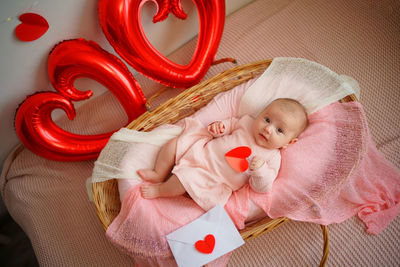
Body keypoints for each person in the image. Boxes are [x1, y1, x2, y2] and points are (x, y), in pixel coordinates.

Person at [138, 98, 308, 211]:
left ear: (289, 142)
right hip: (200, 151)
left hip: (212, 178)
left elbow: (263, 187)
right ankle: (159, 173)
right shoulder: (247, 122)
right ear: (261, 113)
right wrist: (220, 128)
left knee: (184, 180)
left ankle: (160, 189)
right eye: (267, 119)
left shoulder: (272, 158)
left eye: (279, 130)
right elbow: (230, 124)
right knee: (174, 144)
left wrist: (260, 170)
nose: (268, 129)